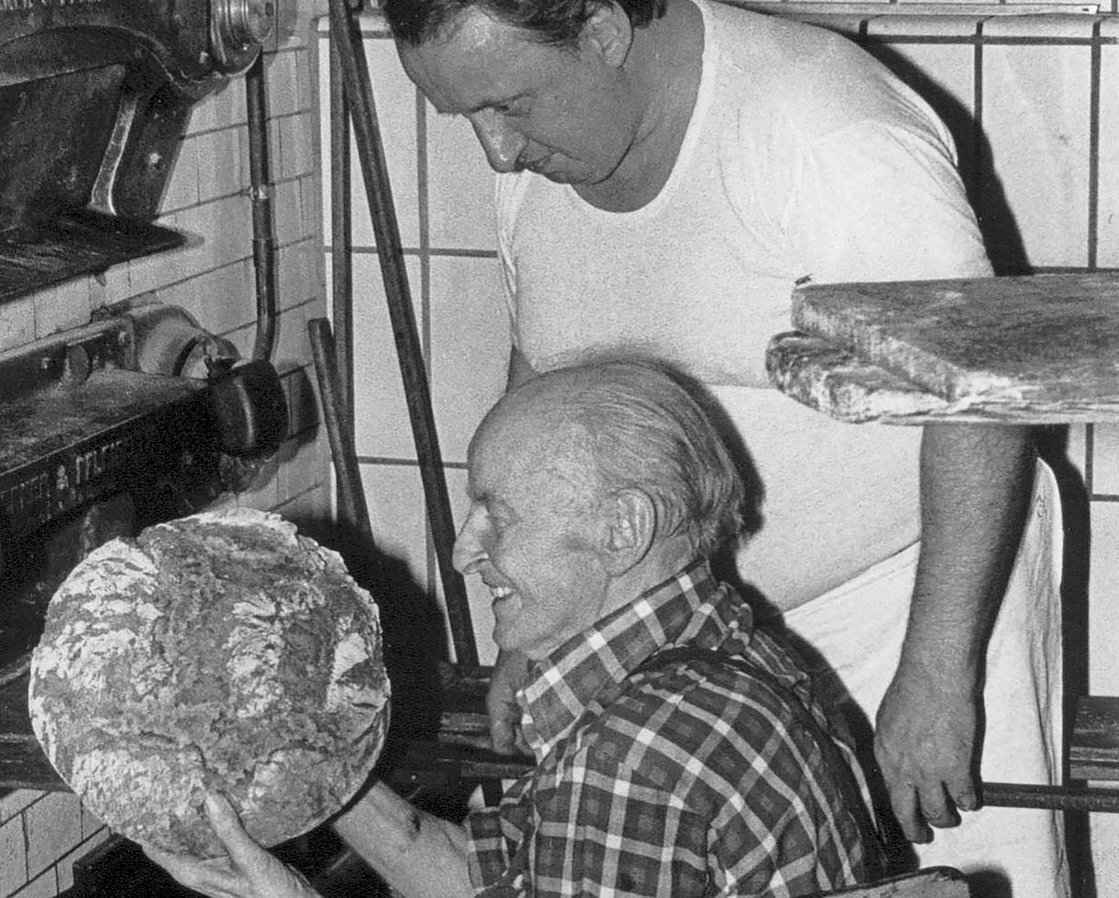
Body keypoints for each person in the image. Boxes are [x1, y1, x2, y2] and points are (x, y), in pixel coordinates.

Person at [377, 0, 1066, 897]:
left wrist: (935, 672)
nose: (493, 149)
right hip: (683, 651)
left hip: (902, 606)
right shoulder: (533, 151)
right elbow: (548, 399)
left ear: (604, 32)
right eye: (462, 114)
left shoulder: (824, 129)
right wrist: (542, 627)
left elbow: (973, 397)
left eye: (509, 106)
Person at [148, 357, 881, 897]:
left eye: (498, 513)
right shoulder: (729, 650)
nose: (464, 549)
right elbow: (482, 875)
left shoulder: (631, 757)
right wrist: (305, 751)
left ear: (622, 527)